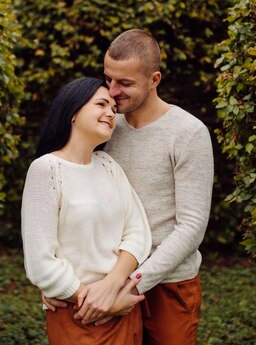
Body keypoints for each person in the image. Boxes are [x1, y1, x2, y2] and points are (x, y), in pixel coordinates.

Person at [43, 30, 214, 345]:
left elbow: (191, 228)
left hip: (168, 284)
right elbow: (70, 201)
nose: (112, 91)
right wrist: (53, 281)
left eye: (125, 83)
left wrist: (130, 284)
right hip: (103, 277)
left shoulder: (188, 133)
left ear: (154, 79)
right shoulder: (104, 127)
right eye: (108, 79)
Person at [21, 77, 152, 345]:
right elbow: (40, 262)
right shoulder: (46, 170)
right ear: (73, 112)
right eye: (102, 104)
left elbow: (138, 233)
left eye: (114, 109)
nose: (111, 113)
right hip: (78, 317)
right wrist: (91, 300)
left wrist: (112, 289)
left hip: (123, 309)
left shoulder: (108, 165)